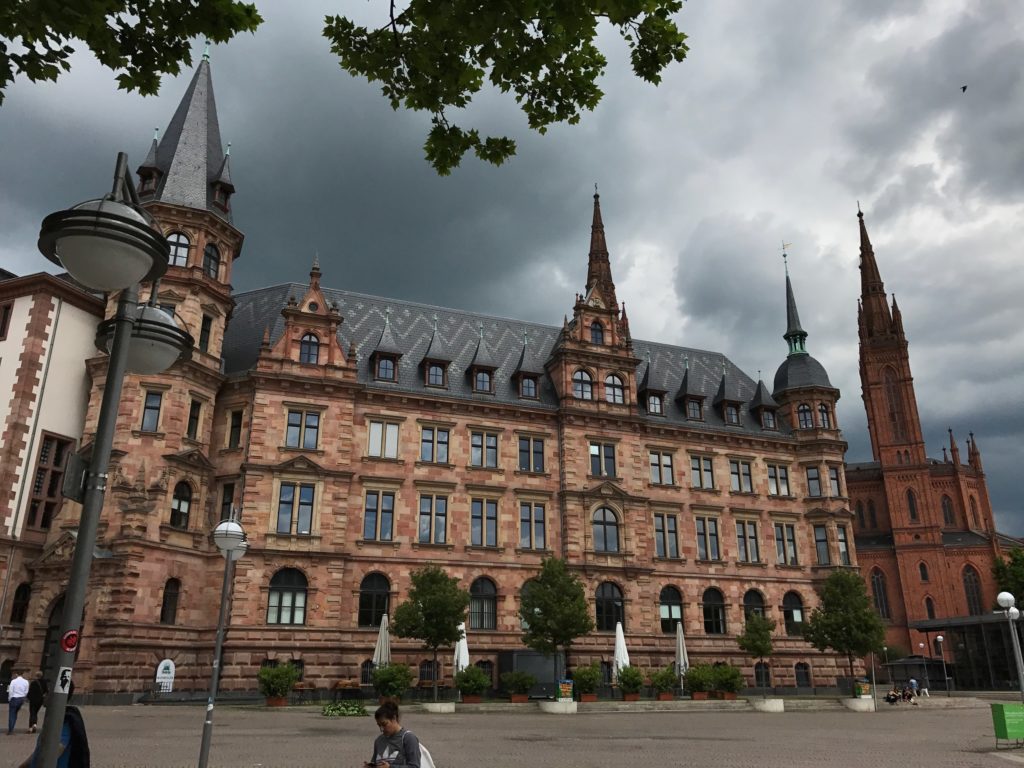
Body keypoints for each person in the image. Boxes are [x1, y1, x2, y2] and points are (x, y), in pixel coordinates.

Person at [19, 681, 90, 768]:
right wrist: (25, 765)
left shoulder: (63, 721)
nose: (44, 695)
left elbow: (54, 752)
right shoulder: (54, 718)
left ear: (58, 696)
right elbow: (40, 751)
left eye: (48, 692)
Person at [365, 701, 421, 768]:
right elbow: (375, 763)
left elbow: (415, 766)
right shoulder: (378, 740)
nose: (381, 729)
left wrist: (390, 767)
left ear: (394, 718)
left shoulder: (408, 738)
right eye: (379, 725)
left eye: (384, 724)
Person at [7, 670, 29, 735]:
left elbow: (11, 691)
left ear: (16, 674)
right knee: (15, 713)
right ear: (22, 674)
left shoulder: (13, 681)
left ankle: (11, 730)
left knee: (12, 714)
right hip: (21, 699)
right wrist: (23, 697)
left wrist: (10, 698)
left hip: (14, 698)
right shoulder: (26, 682)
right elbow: (26, 691)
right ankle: (12, 727)